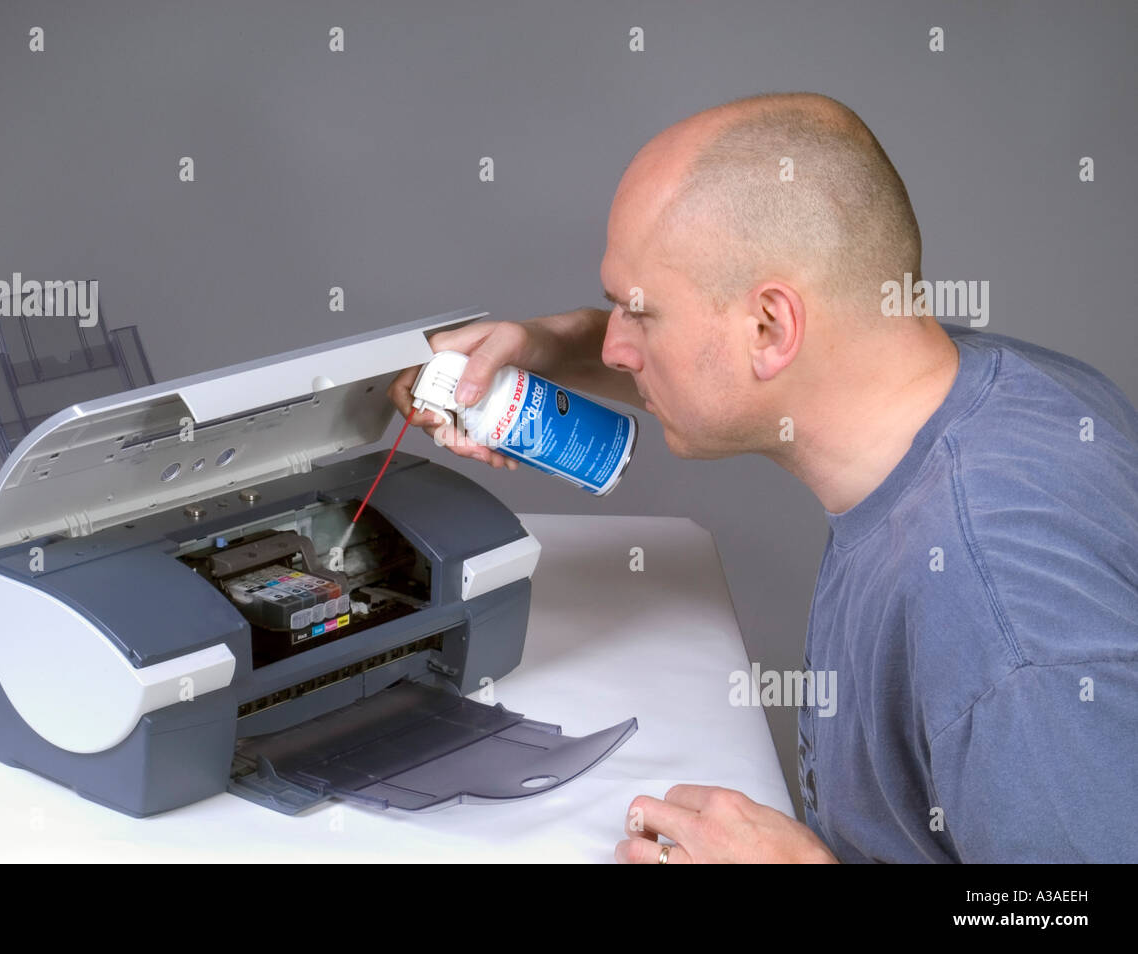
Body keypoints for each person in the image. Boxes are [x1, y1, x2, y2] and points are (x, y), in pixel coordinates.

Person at [387, 92, 1138, 863]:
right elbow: (727, 371)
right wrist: (545, 345)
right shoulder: (988, 386)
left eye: (637, 312)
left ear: (771, 328)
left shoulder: (1003, 616)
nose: (613, 347)